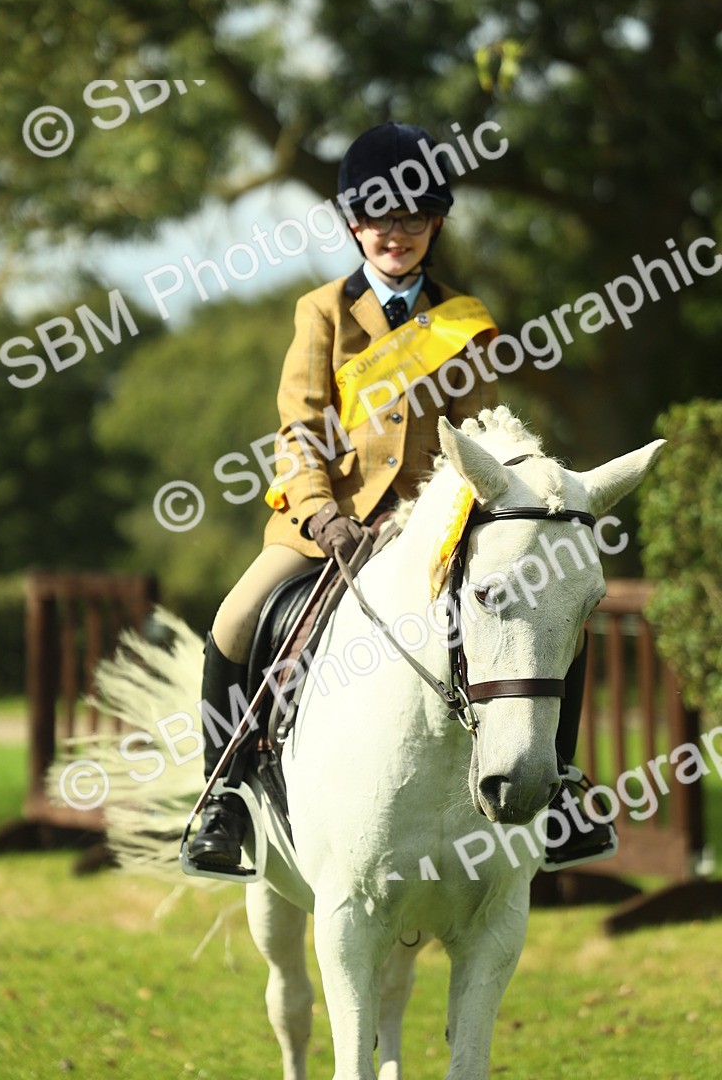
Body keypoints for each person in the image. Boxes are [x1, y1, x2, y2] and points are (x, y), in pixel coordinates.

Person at [187, 121, 614, 872]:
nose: (397, 233)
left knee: (546, 611)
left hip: (436, 523)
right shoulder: (321, 311)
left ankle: (563, 786)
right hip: (327, 520)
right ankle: (223, 796)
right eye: (381, 218)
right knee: (235, 618)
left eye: (413, 218)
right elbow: (300, 427)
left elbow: (480, 431)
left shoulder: (465, 323)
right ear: (355, 224)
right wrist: (322, 513)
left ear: (435, 224)